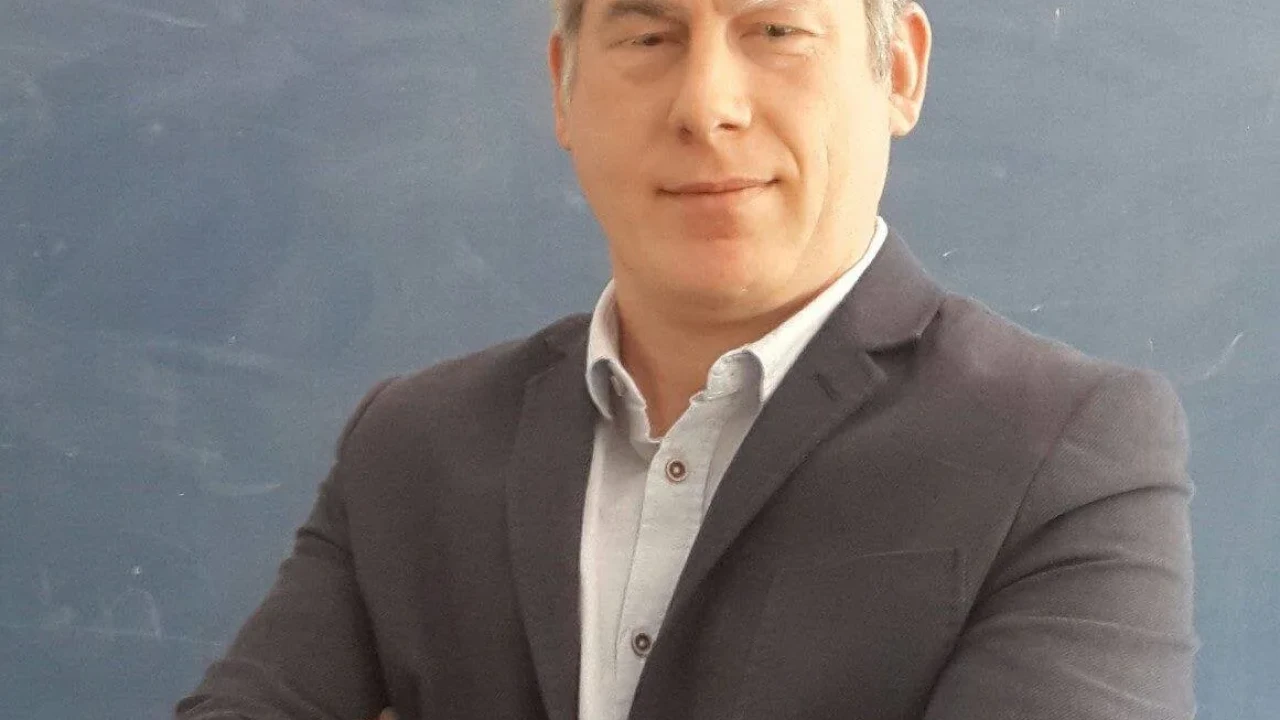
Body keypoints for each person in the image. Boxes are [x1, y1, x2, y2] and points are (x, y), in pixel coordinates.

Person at [176, 0, 1197, 718]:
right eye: (649, 35)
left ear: (897, 71)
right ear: (562, 86)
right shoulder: (409, 446)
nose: (706, 104)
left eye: (776, 31)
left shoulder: (1065, 452)